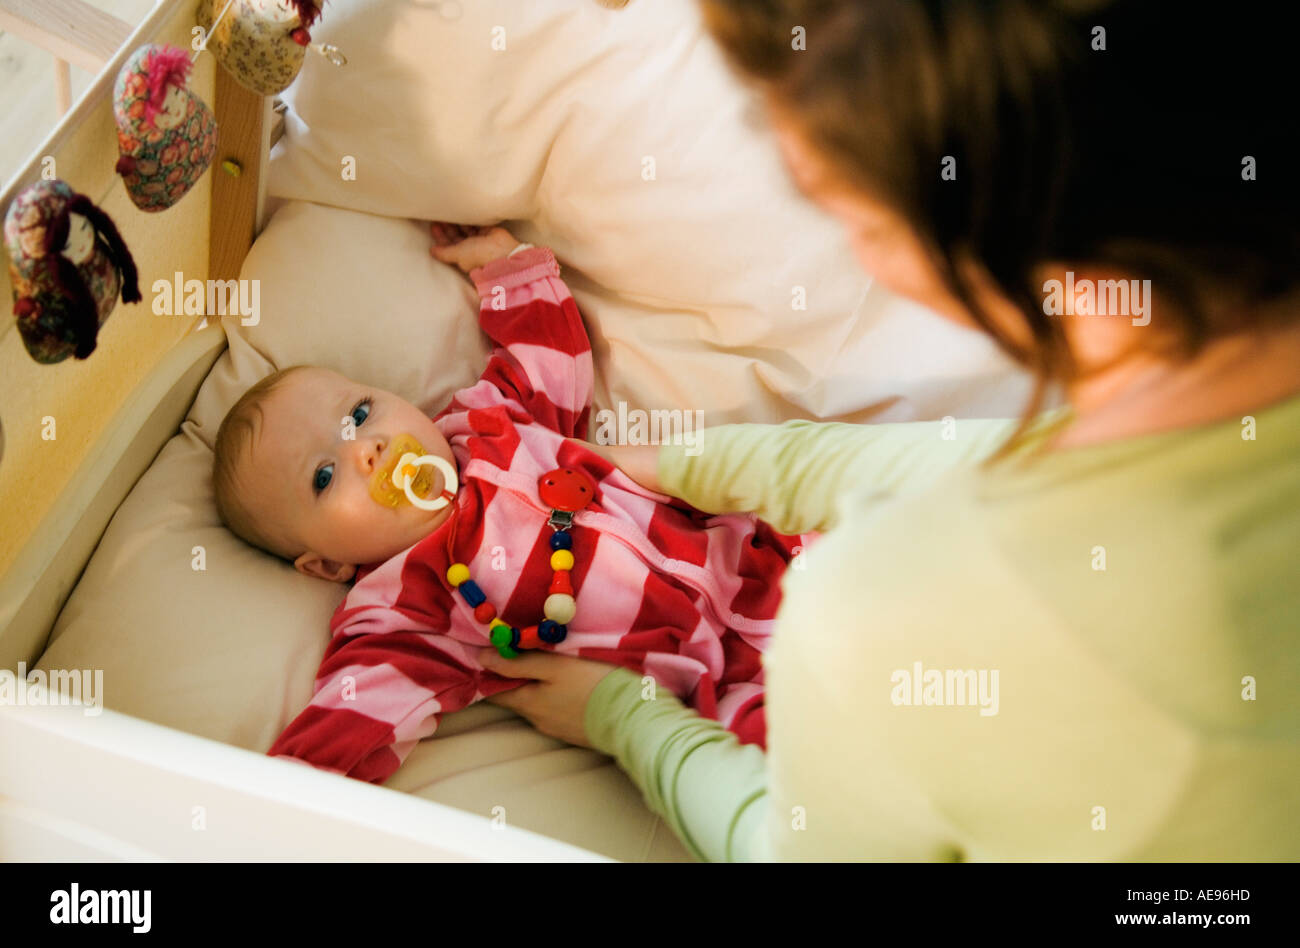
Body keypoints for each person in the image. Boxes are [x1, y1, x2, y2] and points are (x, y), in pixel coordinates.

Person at [477, 0, 1300, 861]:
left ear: (996, 227)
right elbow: (975, 459)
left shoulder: (879, 621)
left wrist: (631, 721)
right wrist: (701, 458)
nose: (865, 260)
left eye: (861, 223)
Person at [210, 224, 803, 782]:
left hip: (761, 553)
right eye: (323, 476)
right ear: (327, 566)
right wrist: (282, 799)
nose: (366, 449)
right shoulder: (400, 613)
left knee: (870, 555)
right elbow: (357, 715)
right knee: (803, 758)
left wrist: (508, 270)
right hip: (711, 687)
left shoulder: (488, 422)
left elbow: (550, 360)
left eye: (360, 414)